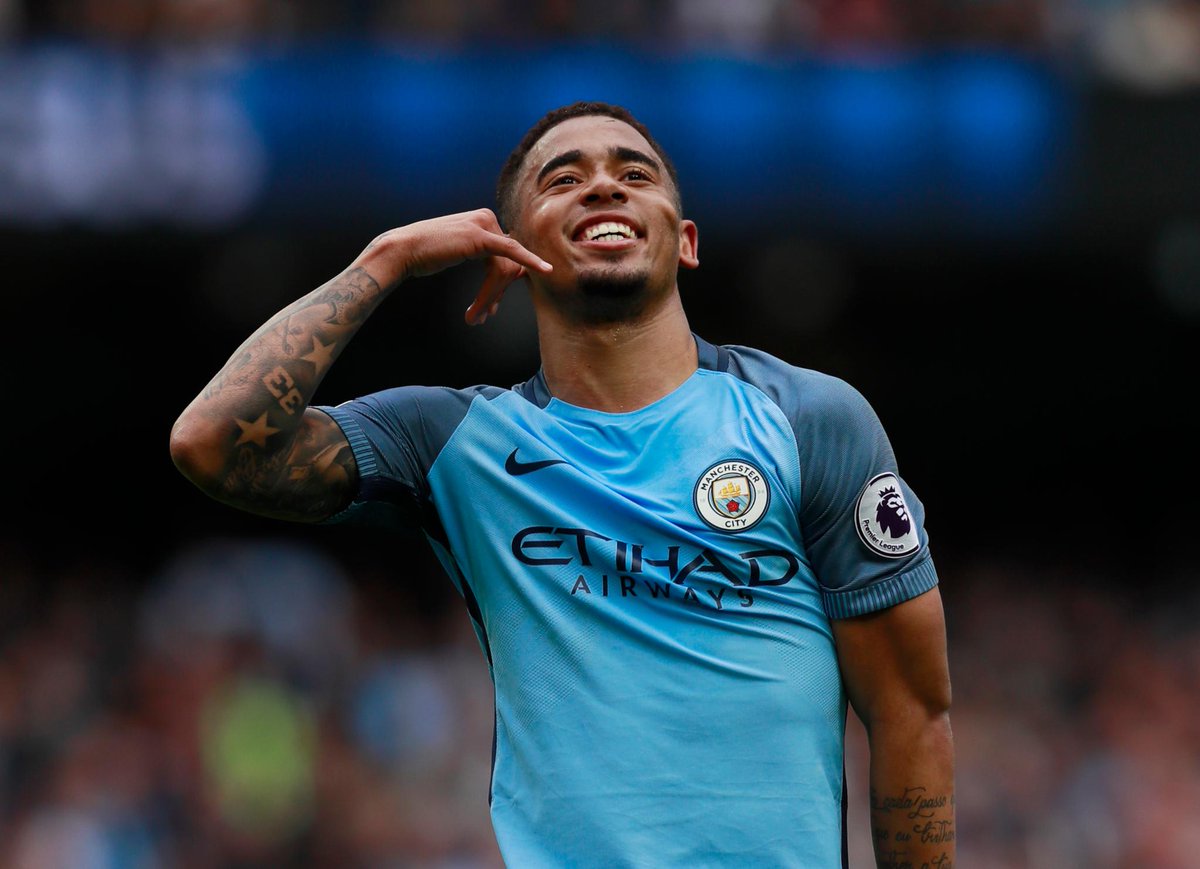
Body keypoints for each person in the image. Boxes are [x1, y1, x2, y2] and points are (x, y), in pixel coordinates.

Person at [170, 101, 955, 868]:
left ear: (685, 241)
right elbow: (213, 445)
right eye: (564, 179)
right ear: (511, 252)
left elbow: (910, 712)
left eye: (634, 174)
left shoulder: (808, 419)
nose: (604, 186)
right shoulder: (455, 443)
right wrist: (387, 260)